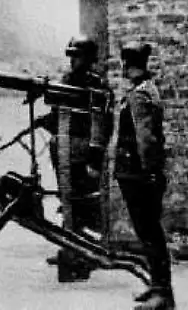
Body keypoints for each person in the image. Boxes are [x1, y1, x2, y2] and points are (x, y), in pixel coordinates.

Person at [40, 34, 113, 281]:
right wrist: (47, 122)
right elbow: (58, 116)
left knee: (84, 202)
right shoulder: (66, 82)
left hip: (83, 151)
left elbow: (101, 125)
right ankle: (68, 244)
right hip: (63, 149)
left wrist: (94, 159)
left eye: (79, 57)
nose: (74, 62)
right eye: (72, 57)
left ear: (90, 59)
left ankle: (83, 255)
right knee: (67, 199)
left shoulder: (96, 85)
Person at [115, 42, 176, 310]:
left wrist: (149, 172)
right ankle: (156, 285)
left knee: (149, 233)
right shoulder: (145, 90)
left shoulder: (139, 95)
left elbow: (146, 139)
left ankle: (163, 293)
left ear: (127, 65)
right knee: (148, 232)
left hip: (138, 174)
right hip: (140, 173)